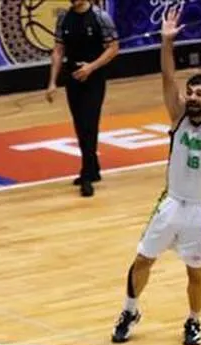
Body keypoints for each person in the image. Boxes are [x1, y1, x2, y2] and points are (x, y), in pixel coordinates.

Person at [111, 10, 201, 345]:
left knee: (195, 271)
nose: (193, 97)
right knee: (142, 259)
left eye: (200, 93)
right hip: (171, 202)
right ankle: (129, 311)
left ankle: (193, 321)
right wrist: (167, 42)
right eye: (190, 92)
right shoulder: (178, 116)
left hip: (200, 210)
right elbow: (167, 78)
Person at [46, 0, 120, 197]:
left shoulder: (100, 17)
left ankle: (86, 175)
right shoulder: (64, 18)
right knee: (79, 124)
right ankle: (93, 167)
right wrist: (52, 81)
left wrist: (91, 67)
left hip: (94, 77)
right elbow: (58, 50)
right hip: (72, 76)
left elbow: (113, 48)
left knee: (89, 123)